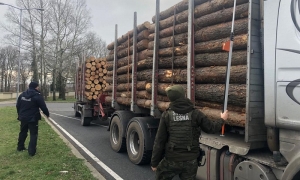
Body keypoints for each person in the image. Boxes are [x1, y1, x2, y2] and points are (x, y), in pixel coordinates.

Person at [150, 85, 229, 180]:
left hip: (172, 159)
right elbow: (211, 128)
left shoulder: (166, 115)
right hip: (190, 161)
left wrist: (154, 163)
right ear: (183, 95)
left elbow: (159, 141)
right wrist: (222, 119)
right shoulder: (195, 113)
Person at [16, 81, 50, 156]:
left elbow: (18, 105)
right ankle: (31, 151)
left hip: (23, 117)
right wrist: (47, 114)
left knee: (23, 132)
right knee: (33, 134)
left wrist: (19, 114)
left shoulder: (22, 94)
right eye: (38, 86)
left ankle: (20, 147)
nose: (38, 88)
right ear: (36, 87)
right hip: (33, 118)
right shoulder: (37, 95)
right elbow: (43, 106)